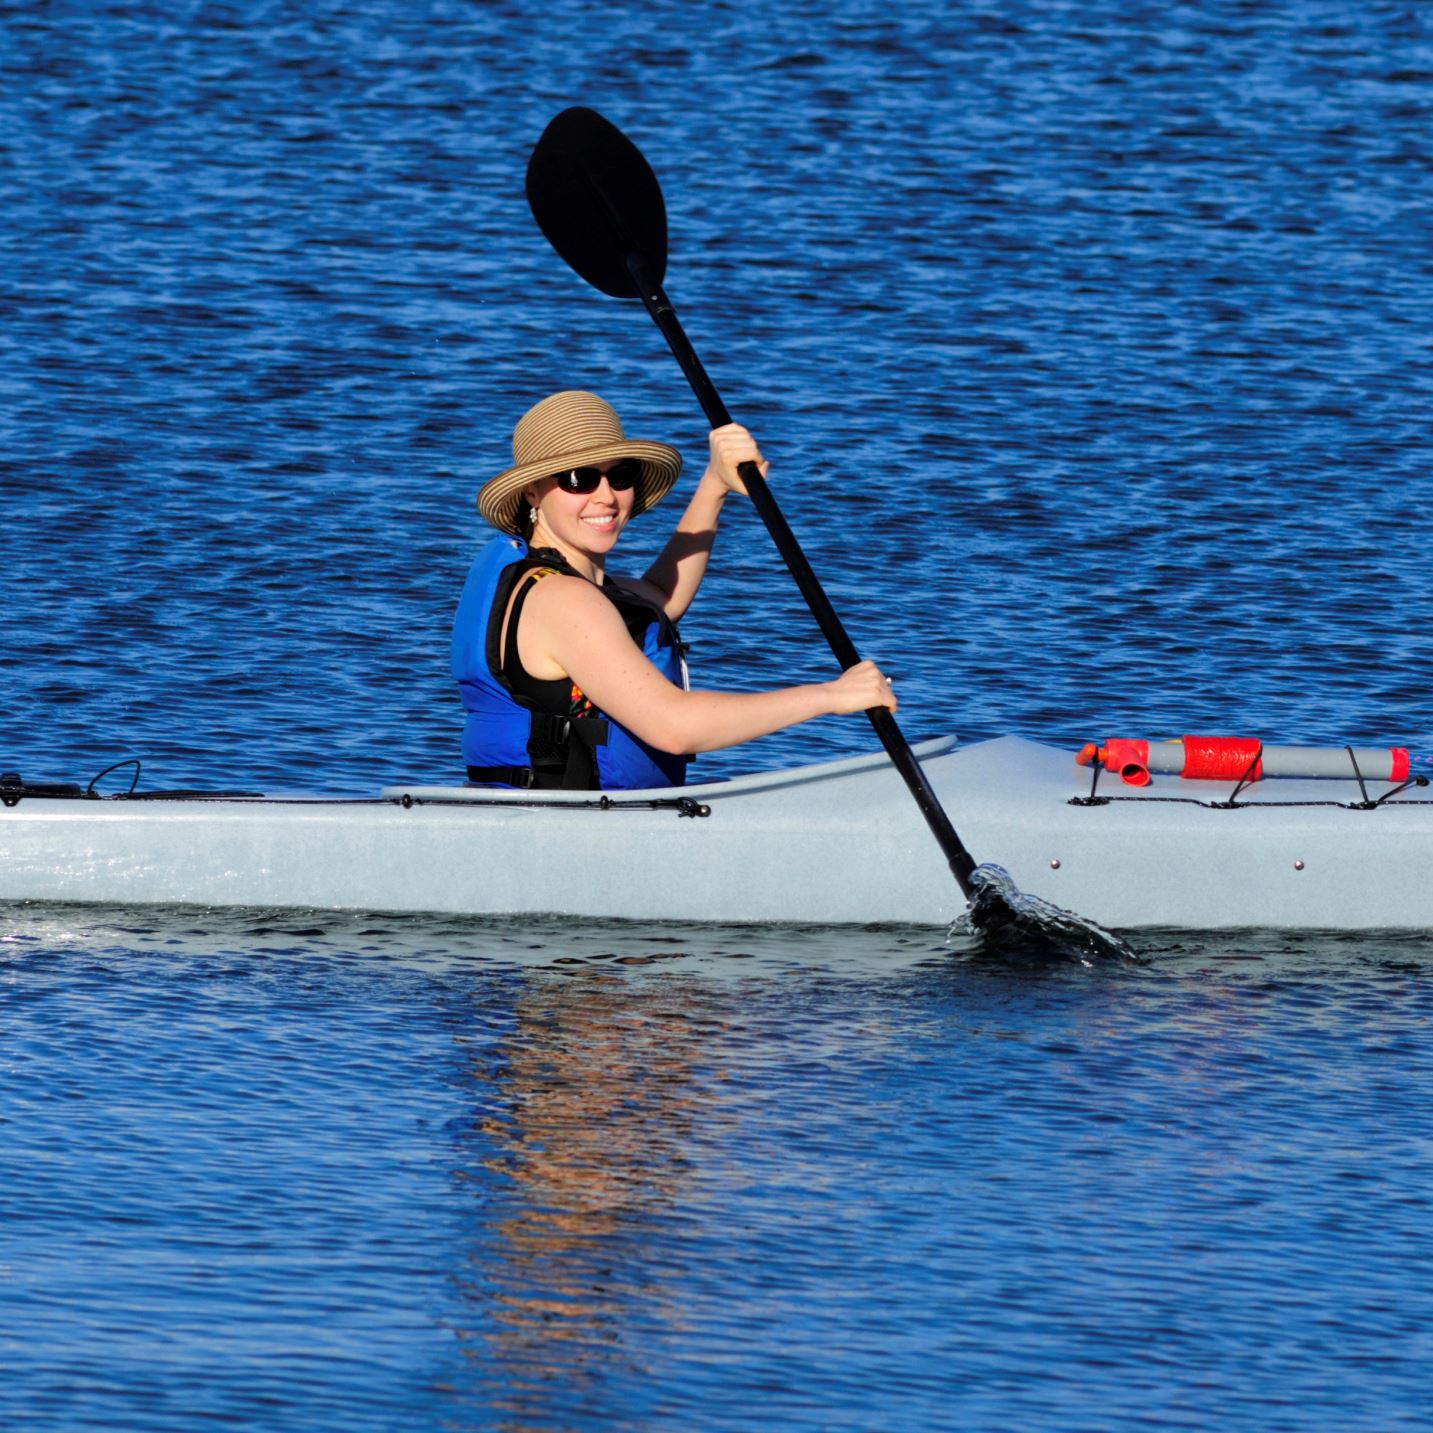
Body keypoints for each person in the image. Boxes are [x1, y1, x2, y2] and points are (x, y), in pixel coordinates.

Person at [451, 390, 896, 790]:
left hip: (562, 819)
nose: (606, 496)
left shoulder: (547, 580)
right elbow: (673, 726)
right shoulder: (565, 601)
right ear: (532, 493)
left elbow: (659, 596)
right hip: (568, 832)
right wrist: (831, 696)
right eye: (578, 479)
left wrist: (716, 484)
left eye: (618, 475)